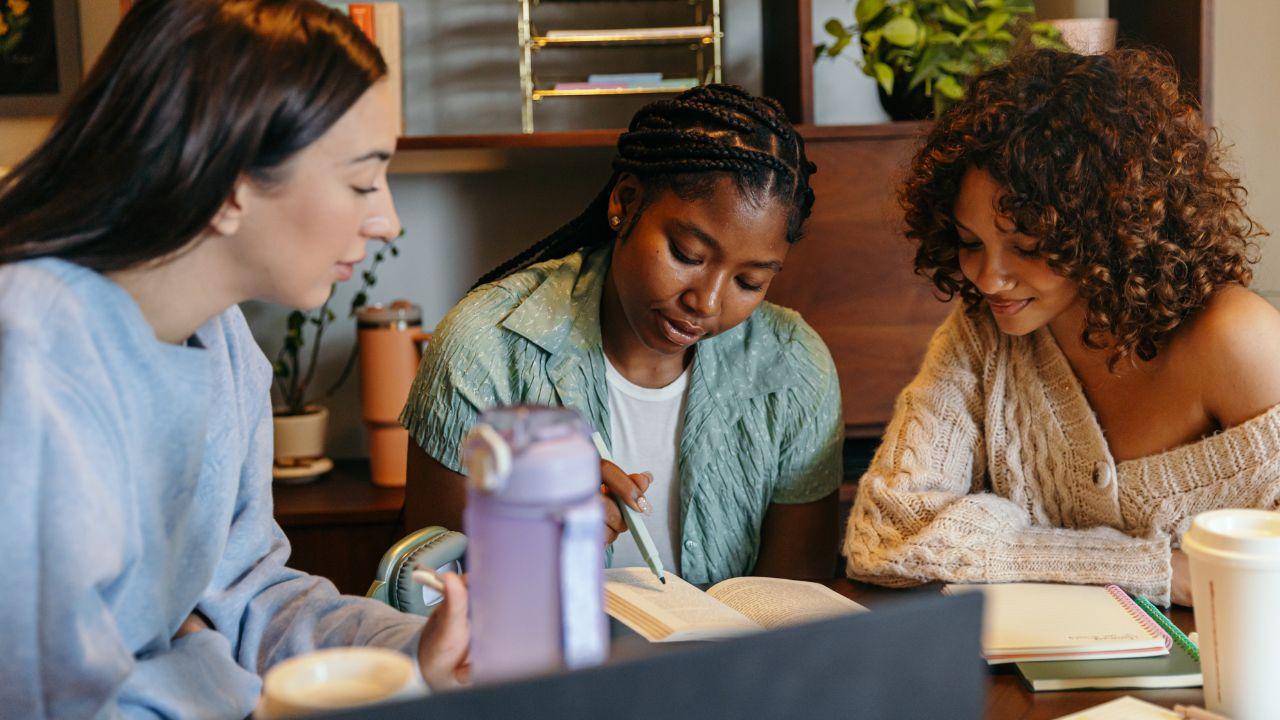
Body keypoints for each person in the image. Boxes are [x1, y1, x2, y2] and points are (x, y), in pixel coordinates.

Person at [0, 1, 468, 716]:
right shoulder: (30, 356)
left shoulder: (220, 340)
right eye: (362, 180)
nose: (387, 221)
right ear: (231, 179)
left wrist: (416, 649)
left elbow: (247, 597)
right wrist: (200, 662)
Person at [844, 48, 1280, 607]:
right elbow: (885, 538)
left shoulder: (1234, 339)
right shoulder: (982, 334)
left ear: (1107, 227)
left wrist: (990, 537)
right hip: (1032, 682)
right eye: (970, 242)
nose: (989, 278)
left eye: (1026, 247)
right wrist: (1154, 568)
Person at [401, 85, 842, 585]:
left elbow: (793, 602)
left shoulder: (792, 366)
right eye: (687, 255)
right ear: (625, 202)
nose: (708, 302)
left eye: (750, 282)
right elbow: (429, 593)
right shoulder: (488, 345)